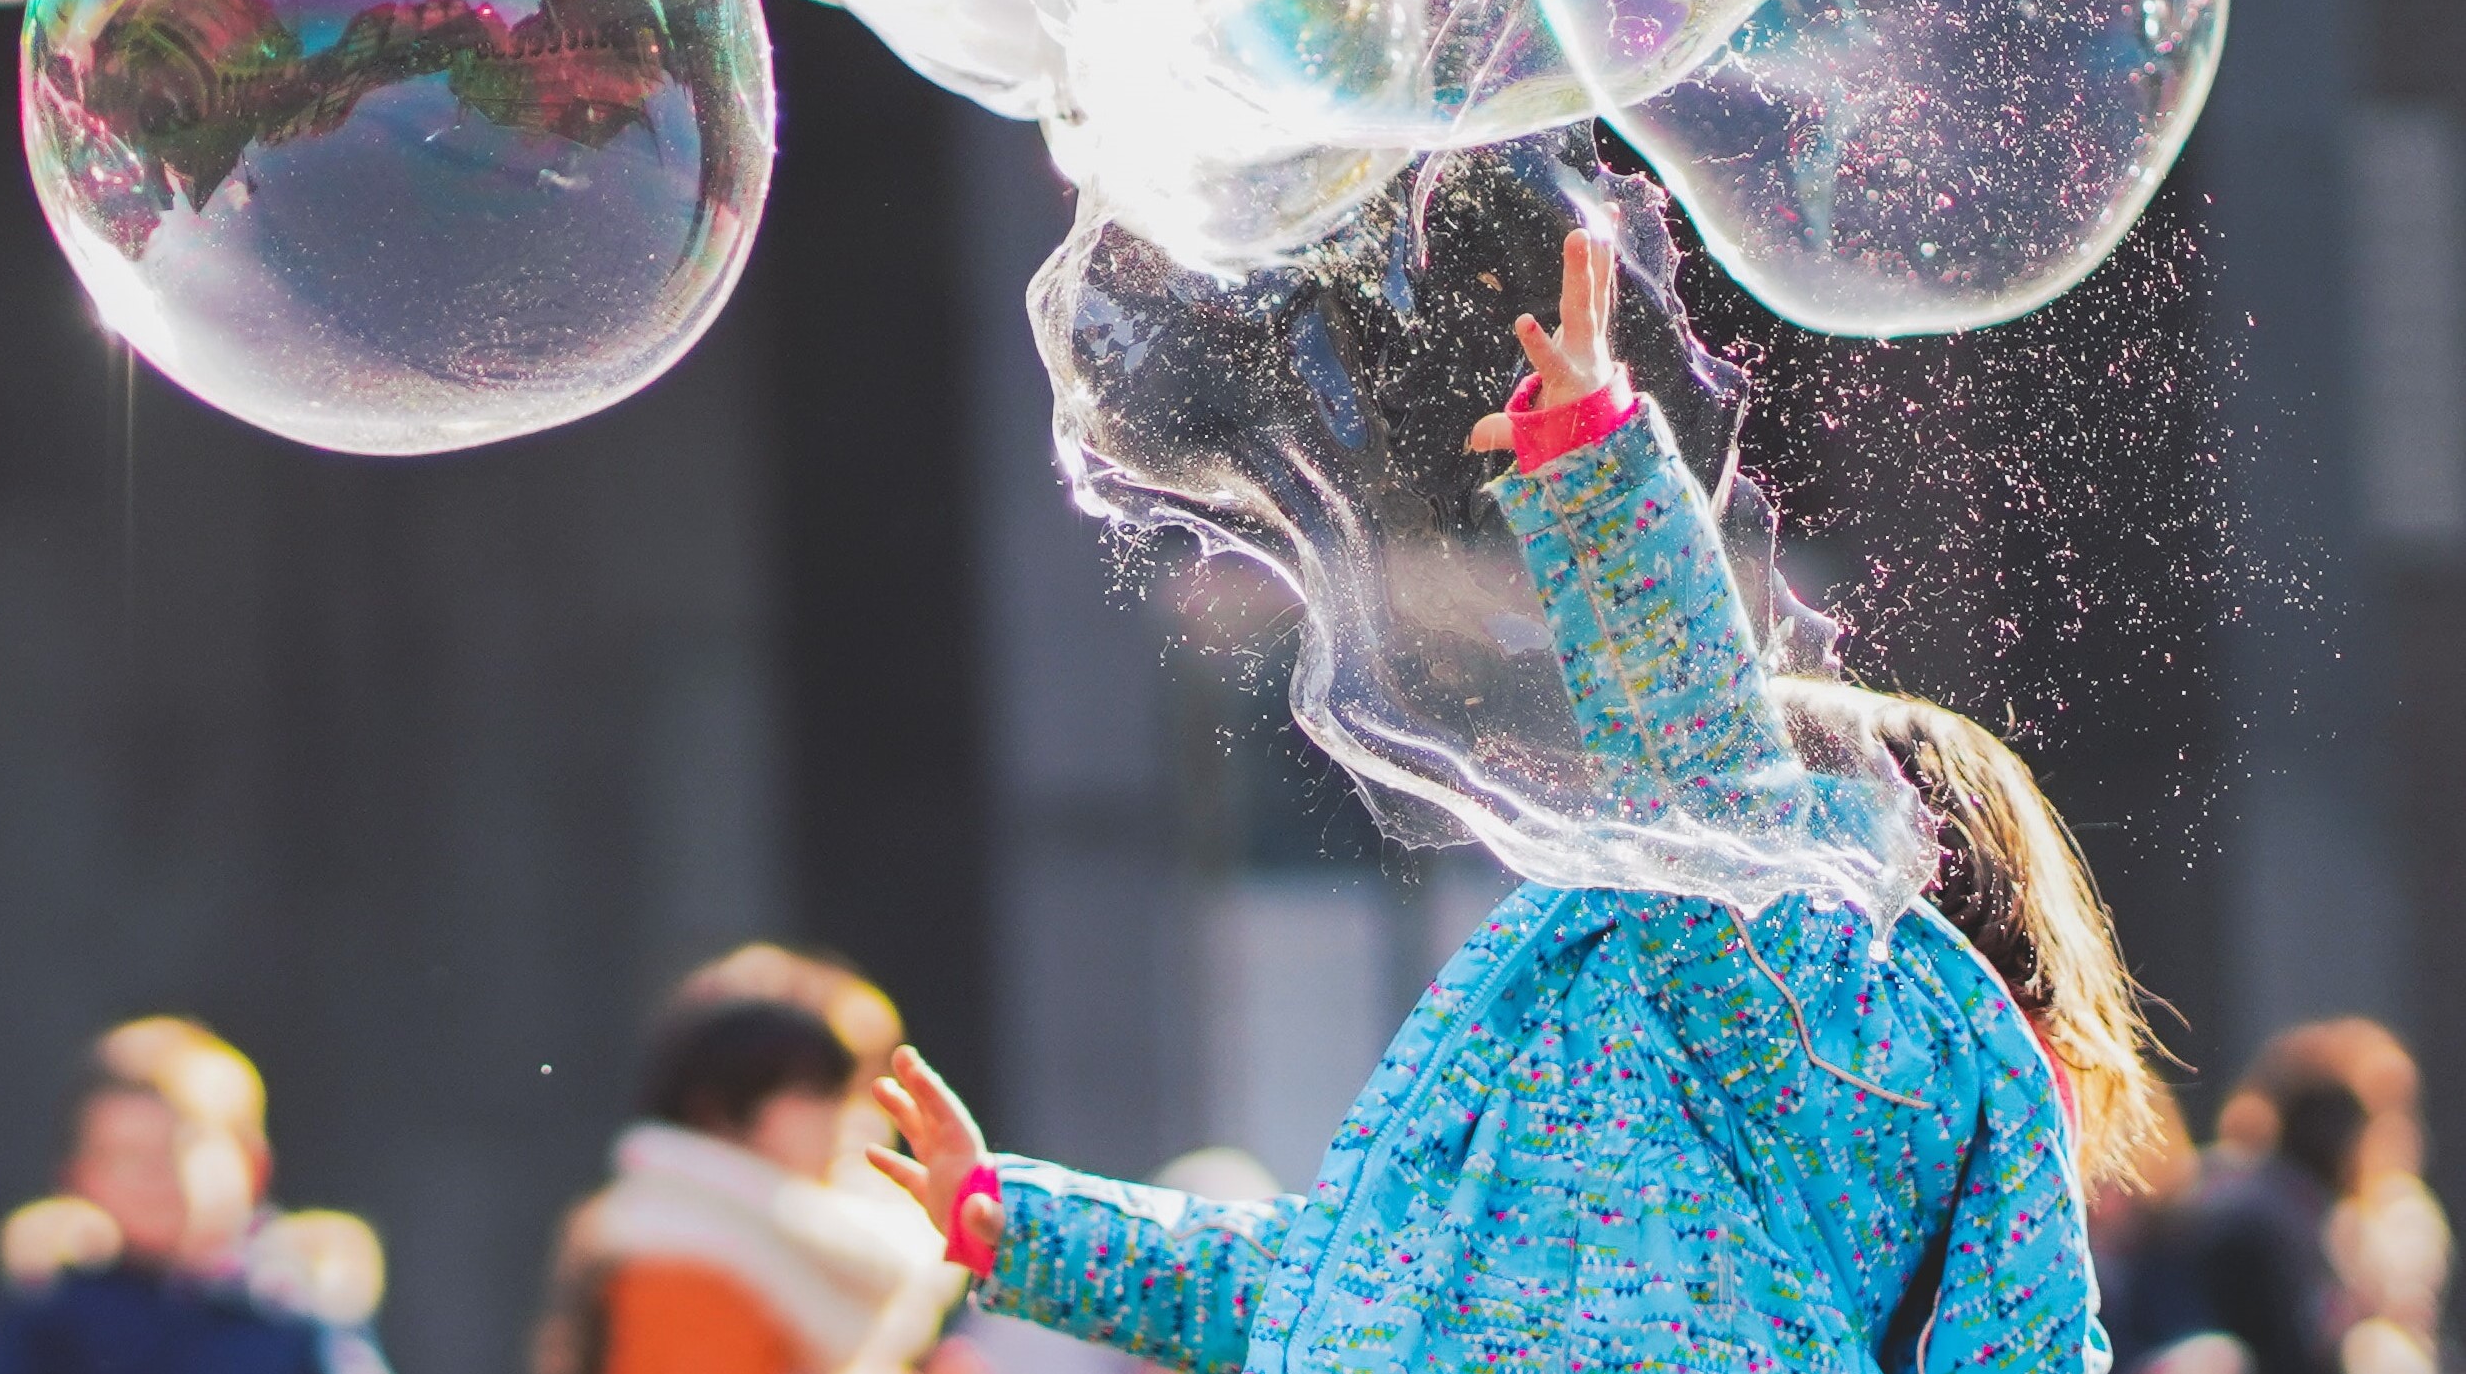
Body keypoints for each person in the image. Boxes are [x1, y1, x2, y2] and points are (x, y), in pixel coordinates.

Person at [867, 225, 2157, 1372]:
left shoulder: (1813, 1013)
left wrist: (1596, 460)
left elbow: (1694, 749)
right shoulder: (1763, 1055)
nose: (1633, 808)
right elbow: (1355, 1281)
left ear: (1841, 854)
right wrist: (1017, 1222)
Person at [532, 951, 965, 1374]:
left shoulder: (803, 1248)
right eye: (819, 1090)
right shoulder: (676, 1253)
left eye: (859, 1091)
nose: (856, 1118)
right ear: (716, 1108)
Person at [0, 1016, 390, 1374]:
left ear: (252, 1162)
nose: (152, 1177)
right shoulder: (52, 1316)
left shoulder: (294, 1311)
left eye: (180, 1150)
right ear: (77, 1179)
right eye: (123, 1157)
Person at [2111, 1020, 2451, 1374]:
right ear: (2346, 1135)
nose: (2409, 1138)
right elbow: (2299, 1352)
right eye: (2389, 1118)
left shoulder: (2253, 1196)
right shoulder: (2272, 1222)